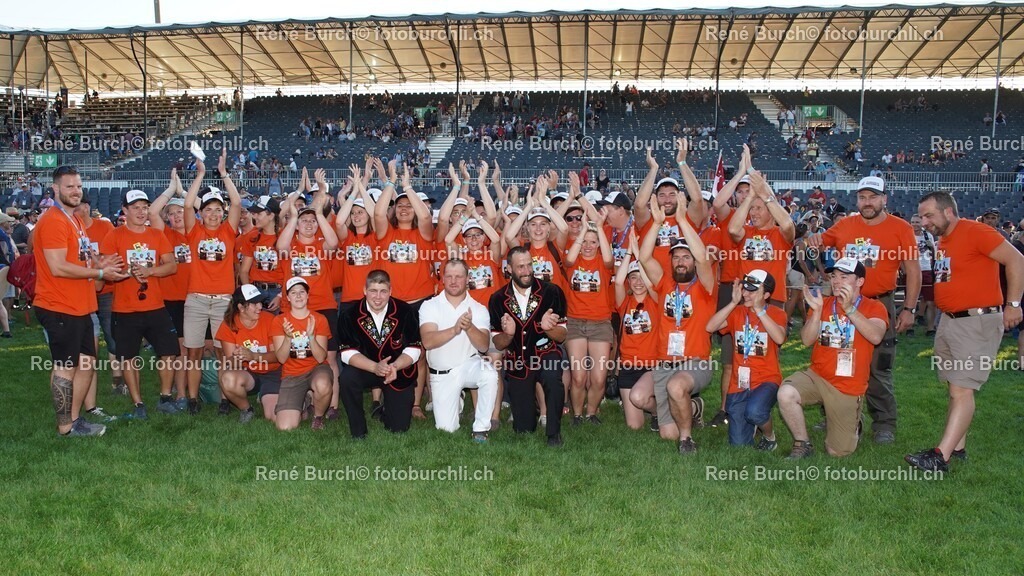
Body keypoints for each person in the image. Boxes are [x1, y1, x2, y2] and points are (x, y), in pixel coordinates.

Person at [905, 192, 1024, 473]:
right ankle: (957, 448)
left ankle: (940, 457)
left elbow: (1017, 260)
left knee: (962, 388)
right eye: (921, 216)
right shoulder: (944, 240)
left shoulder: (976, 231)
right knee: (955, 386)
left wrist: (1013, 304)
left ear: (948, 211)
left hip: (976, 321)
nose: (924, 222)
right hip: (951, 321)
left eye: (929, 215)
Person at [806, 176, 920, 444]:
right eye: (862, 197)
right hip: (842, 304)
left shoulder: (901, 228)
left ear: (884, 199)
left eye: (873, 197)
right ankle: (837, 414)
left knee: (879, 366)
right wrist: (812, 242)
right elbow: (815, 244)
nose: (867, 202)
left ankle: (884, 423)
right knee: (835, 359)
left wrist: (909, 308)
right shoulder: (845, 225)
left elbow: (913, 271)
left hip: (880, 303)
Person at [34, 165, 128, 436]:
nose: (76, 191)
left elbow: (80, 259)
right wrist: (99, 273)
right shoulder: (53, 220)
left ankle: (74, 419)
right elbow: (58, 267)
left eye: (78, 186)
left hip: (81, 305)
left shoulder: (73, 219)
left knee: (86, 363)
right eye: (69, 186)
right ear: (55, 189)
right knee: (65, 367)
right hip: (59, 305)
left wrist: (101, 264)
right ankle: (66, 426)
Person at [778, 258, 888, 458]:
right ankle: (802, 443)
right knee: (786, 393)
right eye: (834, 276)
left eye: (844, 277)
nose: (836, 281)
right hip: (818, 376)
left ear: (860, 282)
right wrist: (817, 312)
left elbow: (876, 336)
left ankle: (854, 421)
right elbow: (806, 340)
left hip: (848, 385)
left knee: (837, 452)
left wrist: (850, 309)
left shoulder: (874, 307)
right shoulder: (825, 303)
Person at [634, 193, 715, 454]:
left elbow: (703, 258)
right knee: (666, 432)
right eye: (676, 257)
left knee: (676, 387)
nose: (681, 262)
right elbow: (645, 258)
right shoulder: (665, 283)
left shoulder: (705, 286)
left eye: (686, 256)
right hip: (664, 364)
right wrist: (657, 223)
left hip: (695, 362)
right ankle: (693, 408)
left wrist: (681, 219)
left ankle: (687, 439)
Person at [98, 190, 180, 419]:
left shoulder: (156, 234)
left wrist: (149, 271)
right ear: (125, 210)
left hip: (155, 306)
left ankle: (165, 398)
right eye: (135, 207)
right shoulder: (114, 236)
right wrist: (128, 272)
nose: (141, 212)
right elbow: (106, 271)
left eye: (144, 207)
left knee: (169, 352)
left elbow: (171, 265)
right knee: (128, 357)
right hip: (125, 309)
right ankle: (138, 404)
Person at [181, 150, 242, 414]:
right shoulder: (194, 231)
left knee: (222, 353)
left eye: (218, 209)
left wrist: (224, 174)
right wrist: (201, 175)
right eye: (208, 209)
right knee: (193, 352)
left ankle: (225, 399)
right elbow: (186, 206)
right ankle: (192, 400)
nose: (214, 214)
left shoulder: (228, 231)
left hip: (223, 301)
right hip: (196, 299)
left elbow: (237, 203)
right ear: (202, 212)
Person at [489, 246, 568, 447]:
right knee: (524, 429)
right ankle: (529, 411)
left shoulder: (552, 292)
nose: (527, 271)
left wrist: (548, 328)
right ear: (509, 269)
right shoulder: (498, 299)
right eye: (520, 267)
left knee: (553, 378)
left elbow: (561, 336)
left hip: (545, 353)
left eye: (529, 265)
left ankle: (554, 432)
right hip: (517, 361)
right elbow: (498, 343)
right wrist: (508, 335)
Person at [705, 270, 787, 450]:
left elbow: (779, 338)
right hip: (739, 383)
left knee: (755, 412)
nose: (746, 294)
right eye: (745, 289)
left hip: (766, 379)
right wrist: (733, 303)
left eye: (752, 290)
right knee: (739, 445)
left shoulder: (776, 313)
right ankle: (753, 422)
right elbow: (710, 327)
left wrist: (760, 312)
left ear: (766, 295)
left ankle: (769, 437)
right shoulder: (737, 312)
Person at [419, 259, 499, 442]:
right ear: (442, 278)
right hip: (442, 373)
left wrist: (469, 327)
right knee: (446, 430)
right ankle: (457, 398)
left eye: (459, 276)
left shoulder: (478, 308)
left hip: (467, 365)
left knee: (489, 374)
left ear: (467, 278)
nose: (453, 281)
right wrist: (455, 330)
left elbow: (483, 346)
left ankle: (480, 429)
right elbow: (428, 342)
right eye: (449, 276)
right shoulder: (429, 305)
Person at [337, 270, 423, 437]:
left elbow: (414, 349)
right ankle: (358, 430)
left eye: (383, 291)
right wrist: (375, 367)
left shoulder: (405, 310)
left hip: (396, 370)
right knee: (347, 378)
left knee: (398, 428)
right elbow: (347, 353)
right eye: (373, 291)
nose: (378, 297)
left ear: (390, 291)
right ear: (365, 290)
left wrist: (395, 366)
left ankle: (385, 410)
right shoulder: (349, 315)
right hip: (366, 368)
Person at [564, 212, 615, 424]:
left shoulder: (603, 263)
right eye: (584, 242)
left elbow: (609, 259)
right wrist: (584, 229)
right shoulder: (572, 262)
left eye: (593, 242)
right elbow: (568, 258)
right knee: (578, 376)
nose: (587, 246)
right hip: (575, 322)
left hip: (600, 323)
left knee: (599, 377)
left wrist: (599, 227)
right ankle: (577, 414)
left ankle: (591, 412)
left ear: (599, 244)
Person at [149, 171, 192, 411]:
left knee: (191, 349)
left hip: (193, 298)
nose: (176, 216)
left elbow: (208, 209)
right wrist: (171, 190)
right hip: (170, 299)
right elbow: (152, 213)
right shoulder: (165, 234)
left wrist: (184, 193)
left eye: (180, 211)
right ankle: (180, 393)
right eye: (172, 213)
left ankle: (185, 390)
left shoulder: (198, 232)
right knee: (176, 349)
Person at [271, 277, 333, 431]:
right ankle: (305, 401)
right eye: (293, 292)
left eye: (302, 292)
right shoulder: (279, 321)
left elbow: (321, 357)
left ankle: (318, 417)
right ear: (287, 297)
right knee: (285, 427)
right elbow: (281, 359)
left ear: (307, 295)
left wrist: (311, 337)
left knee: (322, 384)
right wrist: (288, 337)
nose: (298, 296)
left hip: (316, 368)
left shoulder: (319, 319)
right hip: (292, 373)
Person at [216, 284, 282, 423]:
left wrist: (253, 356)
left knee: (274, 417)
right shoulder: (229, 324)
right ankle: (246, 409)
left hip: (273, 372)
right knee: (227, 377)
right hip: (248, 373)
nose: (260, 307)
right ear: (241, 307)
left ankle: (300, 398)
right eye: (254, 304)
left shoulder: (270, 319)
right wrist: (237, 356)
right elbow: (231, 363)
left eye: (260, 302)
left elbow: (278, 356)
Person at [614, 253, 660, 430]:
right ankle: (654, 408)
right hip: (628, 366)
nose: (638, 282)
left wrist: (641, 259)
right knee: (635, 426)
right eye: (633, 277)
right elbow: (618, 283)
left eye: (642, 277)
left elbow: (652, 285)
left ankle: (659, 411)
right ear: (629, 281)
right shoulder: (625, 303)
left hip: (651, 366)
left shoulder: (656, 301)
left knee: (638, 398)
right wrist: (629, 252)